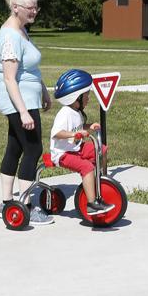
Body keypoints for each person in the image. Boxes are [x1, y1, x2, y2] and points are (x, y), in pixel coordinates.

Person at [0, 0, 54, 226]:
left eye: (36, 7)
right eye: (31, 8)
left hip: (27, 100)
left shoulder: (21, 31)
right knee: (33, 149)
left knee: (15, 148)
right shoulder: (10, 36)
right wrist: (22, 112)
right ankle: (27, 205)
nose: (35, 12)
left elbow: (28, 70)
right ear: (15, 7)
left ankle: (7, 203)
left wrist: (44, 91)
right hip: (19, 103)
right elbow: (10, 78)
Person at [49, 69, 115, 216]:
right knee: (86, 167)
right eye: (86, 95)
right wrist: (75, 134)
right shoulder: (65, 113)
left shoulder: (76, 112)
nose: (88, 98)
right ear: (76, 97)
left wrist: (88, 126)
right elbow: (56, 133)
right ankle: (92, 204)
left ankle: (101, 180)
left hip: (76, 148)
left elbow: (78, 127)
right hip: (63, 154)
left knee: (101, 149)